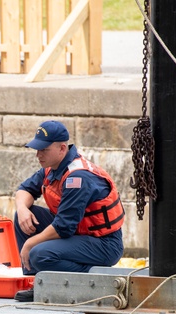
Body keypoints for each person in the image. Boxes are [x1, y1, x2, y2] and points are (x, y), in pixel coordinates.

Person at [12, 120, 125, 301]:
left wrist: (30, 243)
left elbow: (63, 227)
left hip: (104, 244)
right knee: (23, 217)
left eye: (44, 150)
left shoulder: (78, 177)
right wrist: (22, 208)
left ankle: (97, 278)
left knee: (39, 254)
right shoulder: (52, 169)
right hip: (77, 235)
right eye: (37, 149)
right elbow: (24, 190)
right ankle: (38, 283)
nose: (38, 155)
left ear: (62, 148)